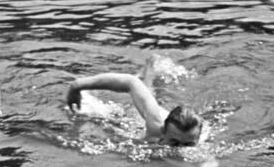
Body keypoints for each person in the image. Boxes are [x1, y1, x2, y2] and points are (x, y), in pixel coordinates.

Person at [65, 60, 202, 147]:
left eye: (189, 145)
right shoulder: (155, 126)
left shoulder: (202, 145)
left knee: (148, 93)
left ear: (197, 139)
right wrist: (78, 85)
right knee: (147, 90)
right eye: (174, 143)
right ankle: (151, 65)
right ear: (163, 132)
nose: (181, 150)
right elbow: (131, 82)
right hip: (153, 113)